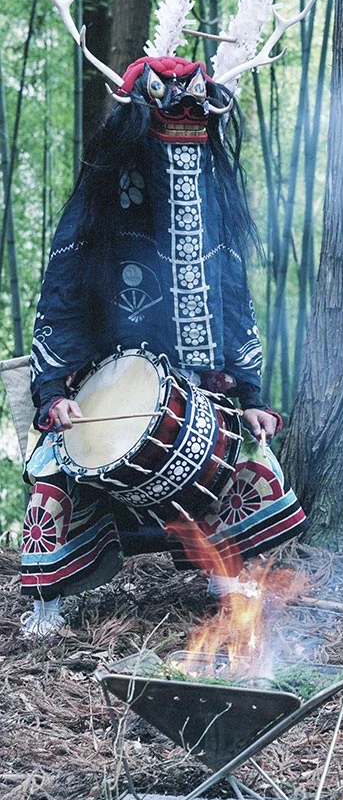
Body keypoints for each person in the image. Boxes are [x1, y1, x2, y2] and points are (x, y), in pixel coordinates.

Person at [18, 56, 306, 637]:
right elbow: (62, 301)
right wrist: (54, 393)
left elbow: (234, 302)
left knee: (247, 455)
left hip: (198, 391)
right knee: (55, 473)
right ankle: (47, 603)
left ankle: (231, 578)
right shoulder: (99, 204)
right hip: (103, 387)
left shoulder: (215, 201)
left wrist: (250, 396)